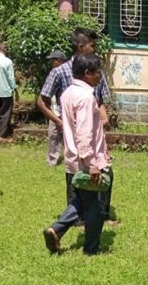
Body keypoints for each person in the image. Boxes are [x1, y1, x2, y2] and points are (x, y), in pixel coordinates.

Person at [38, 29, 112, 217]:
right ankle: (76, 218)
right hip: (73, 129)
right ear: (81, 46)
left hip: (92, 128)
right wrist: (60, 121)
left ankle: (101, 213)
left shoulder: (96, 70)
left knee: (104, 170)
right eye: (92, 46)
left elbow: (100, 100)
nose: (95, 49)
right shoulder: (60, 71)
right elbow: (42, 101)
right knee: (76, 170)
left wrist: (104, 117)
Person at [43, 53, 111, 255]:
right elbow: (83, 132)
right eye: (98, 71)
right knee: (95, 207)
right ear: (88, 73)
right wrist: (91, 162)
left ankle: (56, 230)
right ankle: (91, 249)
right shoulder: (85, 97)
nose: (100, 76)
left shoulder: (67, 93)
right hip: (87, 159)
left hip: (73, 157)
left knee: (80, 201)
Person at [45, 50, 67, 167]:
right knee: (53, 135)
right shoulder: (53, 73)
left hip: (64, 110)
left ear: (59, 61)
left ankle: (69, 159)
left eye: (52, 60)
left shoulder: (67, 73)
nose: (51, 63)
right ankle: (52, 161)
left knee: (67, 136)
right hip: (54, 110)